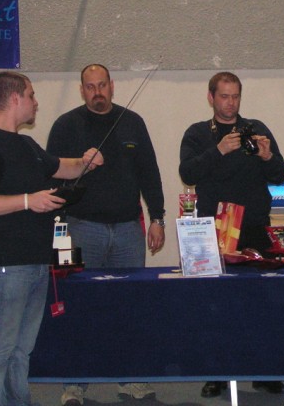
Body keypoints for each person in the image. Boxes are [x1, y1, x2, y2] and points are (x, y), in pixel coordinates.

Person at [0, 72, 103, 406]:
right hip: (3, 266)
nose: (36, 103)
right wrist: (28, 200)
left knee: (21, 351)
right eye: (31, 95)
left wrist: (87, 162)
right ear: (14, 98)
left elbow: (63, 168)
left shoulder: (27, 145)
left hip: (37, 264)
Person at [47, 63, 165, 405]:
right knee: (80, 308)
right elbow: (49, 177)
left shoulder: (133, 122)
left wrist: (157, 217)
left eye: (102, 85)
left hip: (128, 231)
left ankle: (131, 380)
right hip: (81, 230)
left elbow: (150, 173)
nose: (97, 92)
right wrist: (77, 164)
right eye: (90, 87)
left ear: (112, 86)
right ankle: (74, 385)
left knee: (129, 308)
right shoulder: (65, 125)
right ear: (82, 90)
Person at [179, 71, 284, 398]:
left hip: (254, 226)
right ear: (211, 97)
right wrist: (219, 150)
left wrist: (267, 156)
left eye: (235, 96)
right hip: (216, 230)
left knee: (262, 304)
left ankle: (264, 372)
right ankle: (217, 374)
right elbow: (187, 173)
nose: (230, 103)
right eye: (224, 96)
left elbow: (279, 175)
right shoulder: (197, 133)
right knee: (215, 305)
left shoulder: (256, 129)